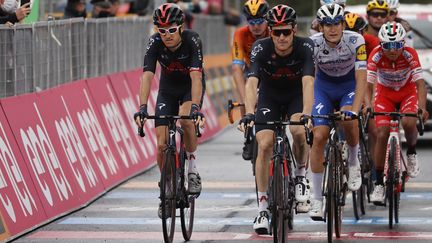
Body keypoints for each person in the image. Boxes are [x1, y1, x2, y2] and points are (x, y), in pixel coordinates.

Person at [238, 4, 315, 234]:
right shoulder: (261, 47)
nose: (281, 37)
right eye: (276, 32)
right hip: (270, 96)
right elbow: (252, 83)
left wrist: (308, 115)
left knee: (298, 132)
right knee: (264, 145)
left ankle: (301, 176)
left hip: (295, 95)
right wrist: (249, 113)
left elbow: (309, 83)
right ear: (270, 31)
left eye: (286, 32)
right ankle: (262, 208)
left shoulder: (305, 46)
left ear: (294, 29)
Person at [133, 3, 205, 218]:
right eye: (161, 30)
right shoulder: (154, 42)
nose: (166, 35)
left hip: (189, 87)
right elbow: (147, 76)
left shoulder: (192, 40)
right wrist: (142, 107)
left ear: (181, 27)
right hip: (167, 89)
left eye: (171, 30)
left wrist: (195, 107)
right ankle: (167, 187)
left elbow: (196, 77)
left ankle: (192, 169)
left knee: (185, 119)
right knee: (162, 143)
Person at [308, 3, 367, 220]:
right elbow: (308, 78)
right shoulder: (312, 43)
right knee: (319, 136)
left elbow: (362, 78)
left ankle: (353, 162)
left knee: (349, 120)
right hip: (322, 88)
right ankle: (316, 199)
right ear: (320, 27)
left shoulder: (356, 41)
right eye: (327, 25)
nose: (332, 29)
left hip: (348, 87)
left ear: (343, 24)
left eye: (336, 24)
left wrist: (356, 109)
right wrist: (306, 109)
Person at [366, 22, 428, 204]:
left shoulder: (410, 54)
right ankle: (378, 183)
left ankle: (411, 152)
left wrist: (422, 108)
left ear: (403, 43)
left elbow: (420, 85)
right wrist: (368, 105)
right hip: (385, 94)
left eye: (397, 45)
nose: (392, 50)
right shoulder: (375, 54)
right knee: (381, 133)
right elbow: (368, 86)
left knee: (409, 123)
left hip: (407, 92)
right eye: (387, 46)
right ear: (381, 45)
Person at [232, 0, 270, 160]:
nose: (256, 26)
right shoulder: (240, 34)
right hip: (251, 71)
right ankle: (248, 136)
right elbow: (236, 69)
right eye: (251, 22)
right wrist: (244, 98)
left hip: (270, 71)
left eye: (260, 21)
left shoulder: (274, 32)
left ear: (267, 20)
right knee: (244, 95)